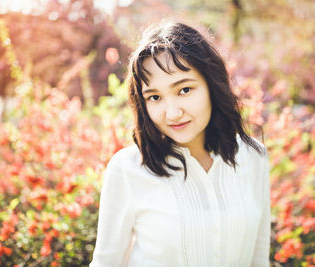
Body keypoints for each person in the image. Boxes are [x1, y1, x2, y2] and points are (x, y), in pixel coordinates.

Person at [90, 21, 271, 267]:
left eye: (184, 89)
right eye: (155, 97)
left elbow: (258, 258)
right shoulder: (128, 170)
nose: (172, 113)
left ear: (211, 84)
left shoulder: (253, 157)